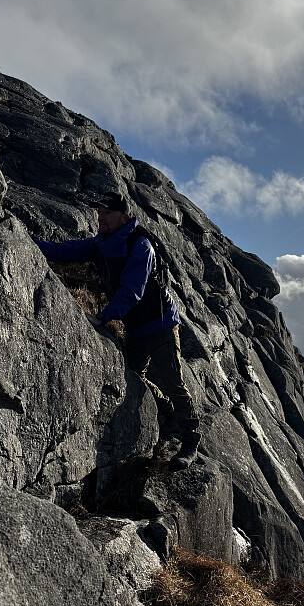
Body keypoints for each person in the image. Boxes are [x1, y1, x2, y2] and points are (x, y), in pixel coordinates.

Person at [33, 192, 200, 470]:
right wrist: (28, 242)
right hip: (136, 329)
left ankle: (191, 440)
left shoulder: (140, 245)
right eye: (99, 214)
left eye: (107, 214)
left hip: (160, 326)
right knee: (135, 377)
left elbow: (132, 291)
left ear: (124, 217)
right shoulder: (101, 244)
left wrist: (103, 317)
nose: (101, 219)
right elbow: (65, 250)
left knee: (173, 383)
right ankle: (167, 411)